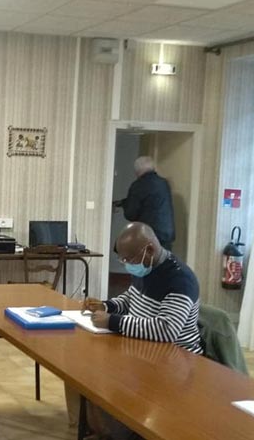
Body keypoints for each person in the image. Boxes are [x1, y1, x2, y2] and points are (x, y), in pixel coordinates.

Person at [81, 222, 202, 439]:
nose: (126, 264)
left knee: (106, 378)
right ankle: (100, 429)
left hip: (174, 361)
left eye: (129, 259)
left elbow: (167, 330)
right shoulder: (146, 266)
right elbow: (131, 298)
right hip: (143, 349)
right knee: (87, 368)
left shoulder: (180, 280)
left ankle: (122, 431)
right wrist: (106, 306)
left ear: (150, 249)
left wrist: (113, 322)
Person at [113, 156, 175, 250]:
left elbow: (130, 214)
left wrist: (125, 205)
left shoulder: (138, 185)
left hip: (148, 236)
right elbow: (151, 201)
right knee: (162, 259)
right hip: (166, 236)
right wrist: (123, 202)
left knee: (135, 256)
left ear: (137, 171)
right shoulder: (164, 183)